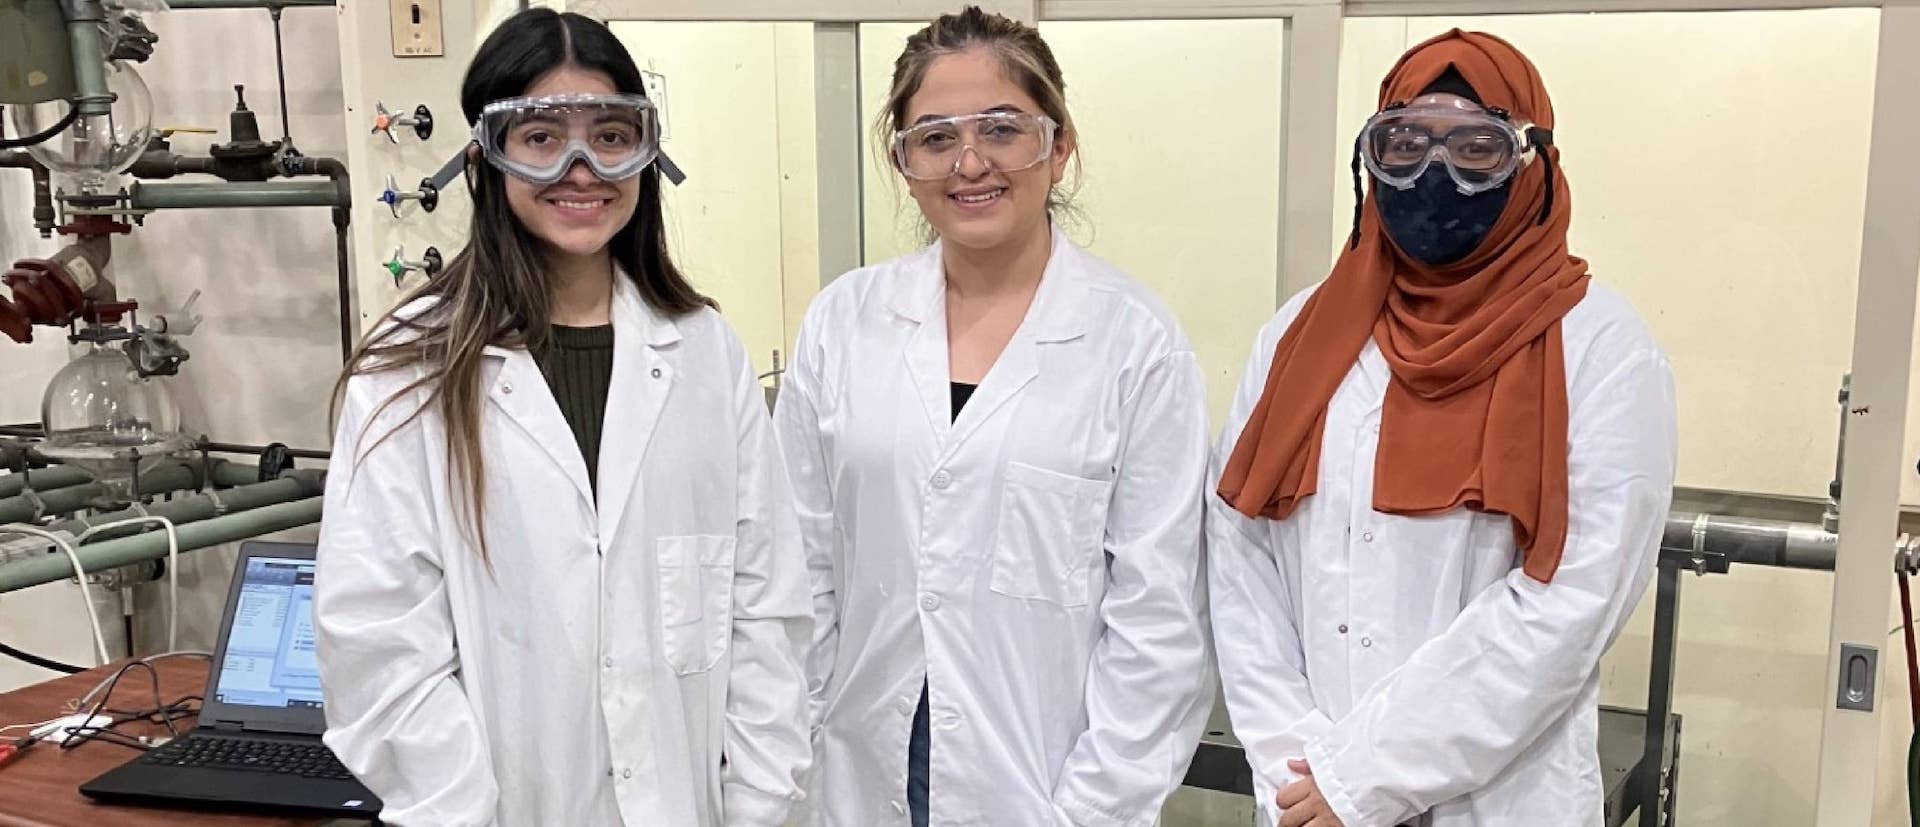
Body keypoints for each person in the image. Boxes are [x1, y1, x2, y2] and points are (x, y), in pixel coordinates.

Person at [312, 10, 811, 826]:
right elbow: (378, 644)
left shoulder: (704, 352)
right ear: (484, 157)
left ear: (647, 155)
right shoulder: (412, 369)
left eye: (611, 136)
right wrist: (458, 807)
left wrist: (759, 805)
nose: (583, 168)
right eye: (541, 138)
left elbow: (765, 613)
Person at [1207, 30, 1677, 827]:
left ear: (1534, 164)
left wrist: (1360, 779)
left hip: (1494, 799)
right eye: (1403, 143)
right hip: (1304, 794)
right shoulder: (1297, 338)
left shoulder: (1600, 347)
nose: (1434, 173)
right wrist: (1300, 765)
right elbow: (1239, 551)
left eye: (1475, 148)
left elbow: (1570, 603)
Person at [773, 6, 1214, 826]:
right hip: (855, 763)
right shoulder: (844, 323)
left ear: (1059, 144)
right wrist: (793, 750)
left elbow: (1158, 619)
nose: (969, 162)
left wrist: (1094, 807)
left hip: (1047, 781)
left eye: (1002, 129)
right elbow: (799, 568)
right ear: (905, 163)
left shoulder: (1134, 343)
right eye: (934, 138)